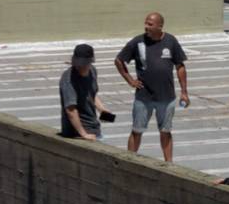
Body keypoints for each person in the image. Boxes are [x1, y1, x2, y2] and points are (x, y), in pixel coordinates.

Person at [115, 11, 189, 162]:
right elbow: (119, 60)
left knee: (165, 131)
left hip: (166, 97)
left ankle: (169, 165)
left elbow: (180, 66)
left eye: (150, 24)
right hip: (143, 97)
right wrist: (130, 80)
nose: (146, 26)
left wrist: (184, 92)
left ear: (160, 26)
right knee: (137, 131)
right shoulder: (138, 42)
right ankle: (129, 161)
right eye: (145, 23)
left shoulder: (171, 41)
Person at [59, 43, 113, 141]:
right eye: (78, 64)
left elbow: (91, 94)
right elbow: (71, 110)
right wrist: (84, 134)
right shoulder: (68, 79)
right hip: (76, 134)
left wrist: (102, 110)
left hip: (94, 128)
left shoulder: (92, 71)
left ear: (90, 61)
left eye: (83, 64)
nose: (80, 67)